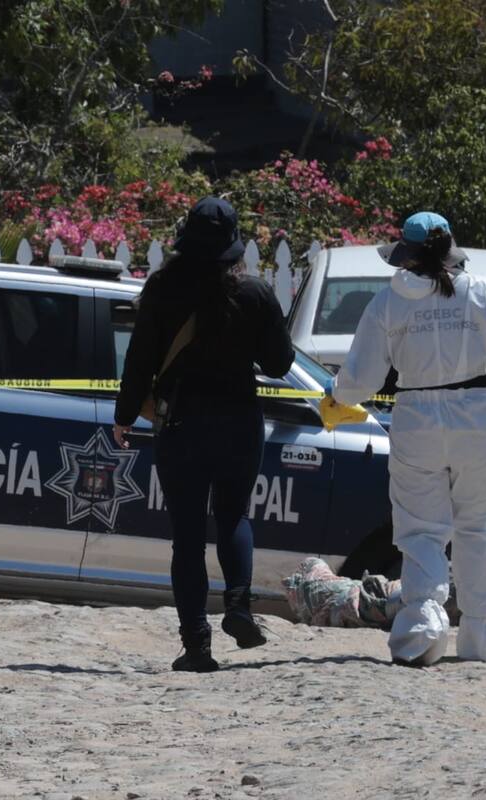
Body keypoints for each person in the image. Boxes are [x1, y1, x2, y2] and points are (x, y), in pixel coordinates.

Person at [330, 212, 486, 666]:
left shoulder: (387, 303)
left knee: (420, 529)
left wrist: (334, 396)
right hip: (476, 416)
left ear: (406, 252)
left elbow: (359, 380)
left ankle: (422, 632)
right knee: (480, 525)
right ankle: (482, 642)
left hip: (415, 418)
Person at [113, 197, 295, 673]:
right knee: (234, 515)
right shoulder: (254, 293)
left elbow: (139, 360)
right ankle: (238, 604)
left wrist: (125, 415)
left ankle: (196, 644)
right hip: (238, 420)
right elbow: (280, 363)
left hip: (181, 423)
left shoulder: (161, 289)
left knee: (187, 537)